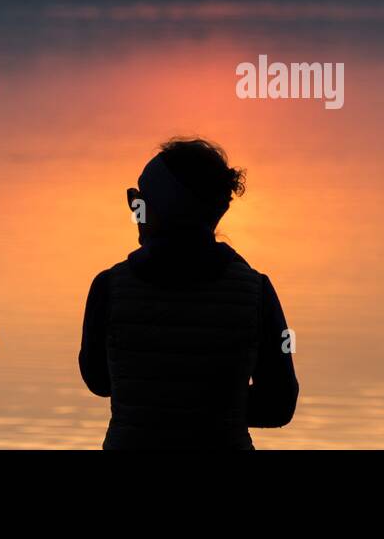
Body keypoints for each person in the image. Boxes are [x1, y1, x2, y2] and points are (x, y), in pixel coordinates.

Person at [79, 137, 298, 449]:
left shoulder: (109, 287)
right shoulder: (257, 292)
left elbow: (99, 380)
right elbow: (279, 404)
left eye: (138, 202)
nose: (134, 212)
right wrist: (216, 409)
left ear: (162, 209)